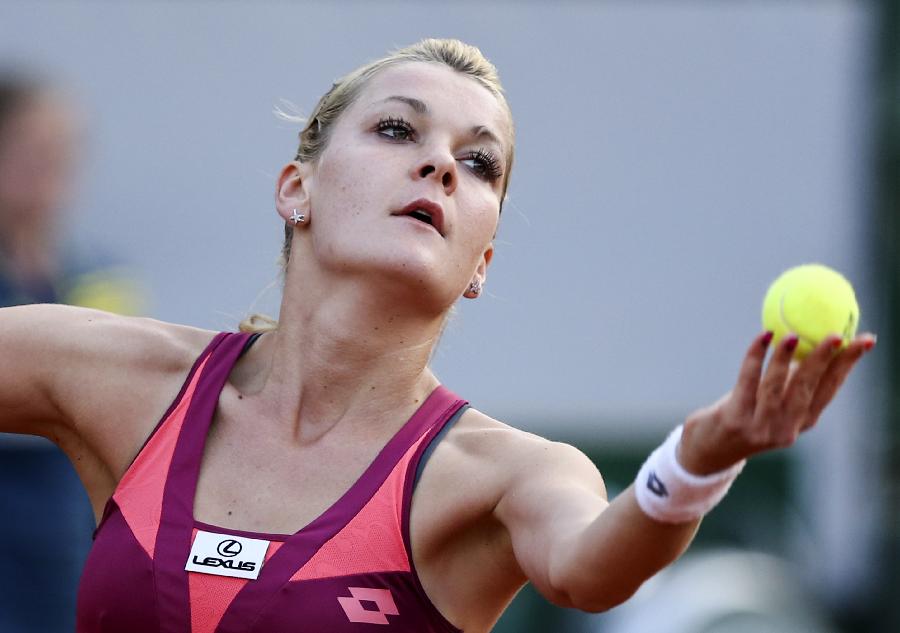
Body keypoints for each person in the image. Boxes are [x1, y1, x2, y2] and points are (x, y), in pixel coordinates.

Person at [0, 39, 874, 633]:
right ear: (295, 188)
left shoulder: (502, 474)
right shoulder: (126, 378)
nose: (441, 164)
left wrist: (705, 452)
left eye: (480, 160)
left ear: (482, 259)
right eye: (396, 129)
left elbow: (593, 568)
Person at [0, 72, 145, 631]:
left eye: (61, 150)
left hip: (67, 534)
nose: (49, 166)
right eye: (31, 149)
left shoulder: (101, 272)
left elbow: (127, 397)